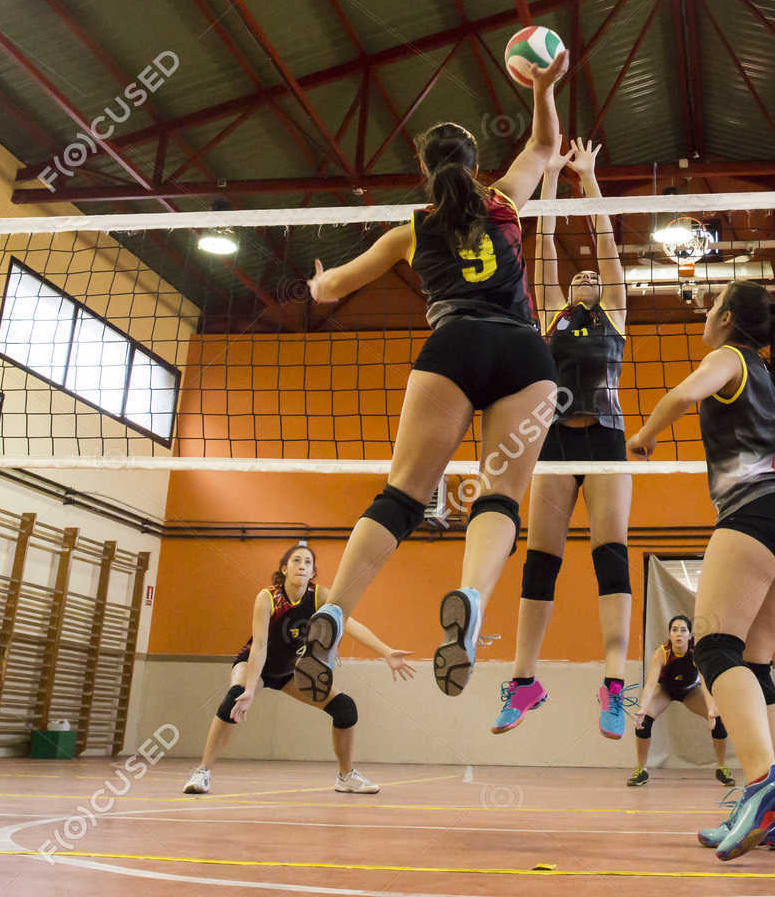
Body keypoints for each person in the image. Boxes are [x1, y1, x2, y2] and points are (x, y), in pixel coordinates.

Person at [296, 48, 568, 703]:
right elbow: (546, 144)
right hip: (525, 357)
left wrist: (316, 280)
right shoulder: (504, 204)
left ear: (427, 174)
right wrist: (543, 87)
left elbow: (332, 289)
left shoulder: (412, 229)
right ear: (476, 168)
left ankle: (334, 612)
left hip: (452, 349)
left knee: (403, 495)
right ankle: (472, 601)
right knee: (500, 496)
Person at [628, 280, 775, 860]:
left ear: (729, 317)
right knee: (753, 666)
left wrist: (644, 437)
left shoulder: (727, 356)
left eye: (710, 307)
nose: (704, 316)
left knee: (711, 648)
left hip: (755, 512)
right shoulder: (774, 383)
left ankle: (764, 780)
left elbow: (684, 396)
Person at [494, 137, 636, 740]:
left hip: (605, 441)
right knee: (540, 559)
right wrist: (551, 178)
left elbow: (604, 242)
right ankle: (524, 681)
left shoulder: (617, 312)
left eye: (591, 276)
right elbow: (545, 241)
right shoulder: (550, 311)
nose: (584, 276)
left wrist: (590, 178)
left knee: (609, 553)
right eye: (574, 276)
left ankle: (612, 682)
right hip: (552, 443)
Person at [182, 543, 413, 796]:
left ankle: (345, 776)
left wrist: (386, 651)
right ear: (284, 568)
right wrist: (249, 689)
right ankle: (203, 771)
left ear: (313, 571)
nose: (302, 565)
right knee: (233, 699)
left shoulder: (320, 596)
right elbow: (259, 646)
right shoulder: (267, 597)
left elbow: (350, 624)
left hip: (290, 673)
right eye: (296, 561)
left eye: (307, 562)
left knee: (345, 708)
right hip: (255, 664)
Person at [626, 614, 735, 788]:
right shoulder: (662, 653)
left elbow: (705, 682)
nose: (678, 634)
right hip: (666, 690)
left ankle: (721, 768)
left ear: (690, 635)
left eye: (683, 630)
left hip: (690, 691)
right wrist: (642, 709)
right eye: (674, 630)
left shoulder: (696, 653)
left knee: (718, 720)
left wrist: (711, 709)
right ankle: (641, 770)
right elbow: (650, 684)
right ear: (669, 634)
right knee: (643, 723)